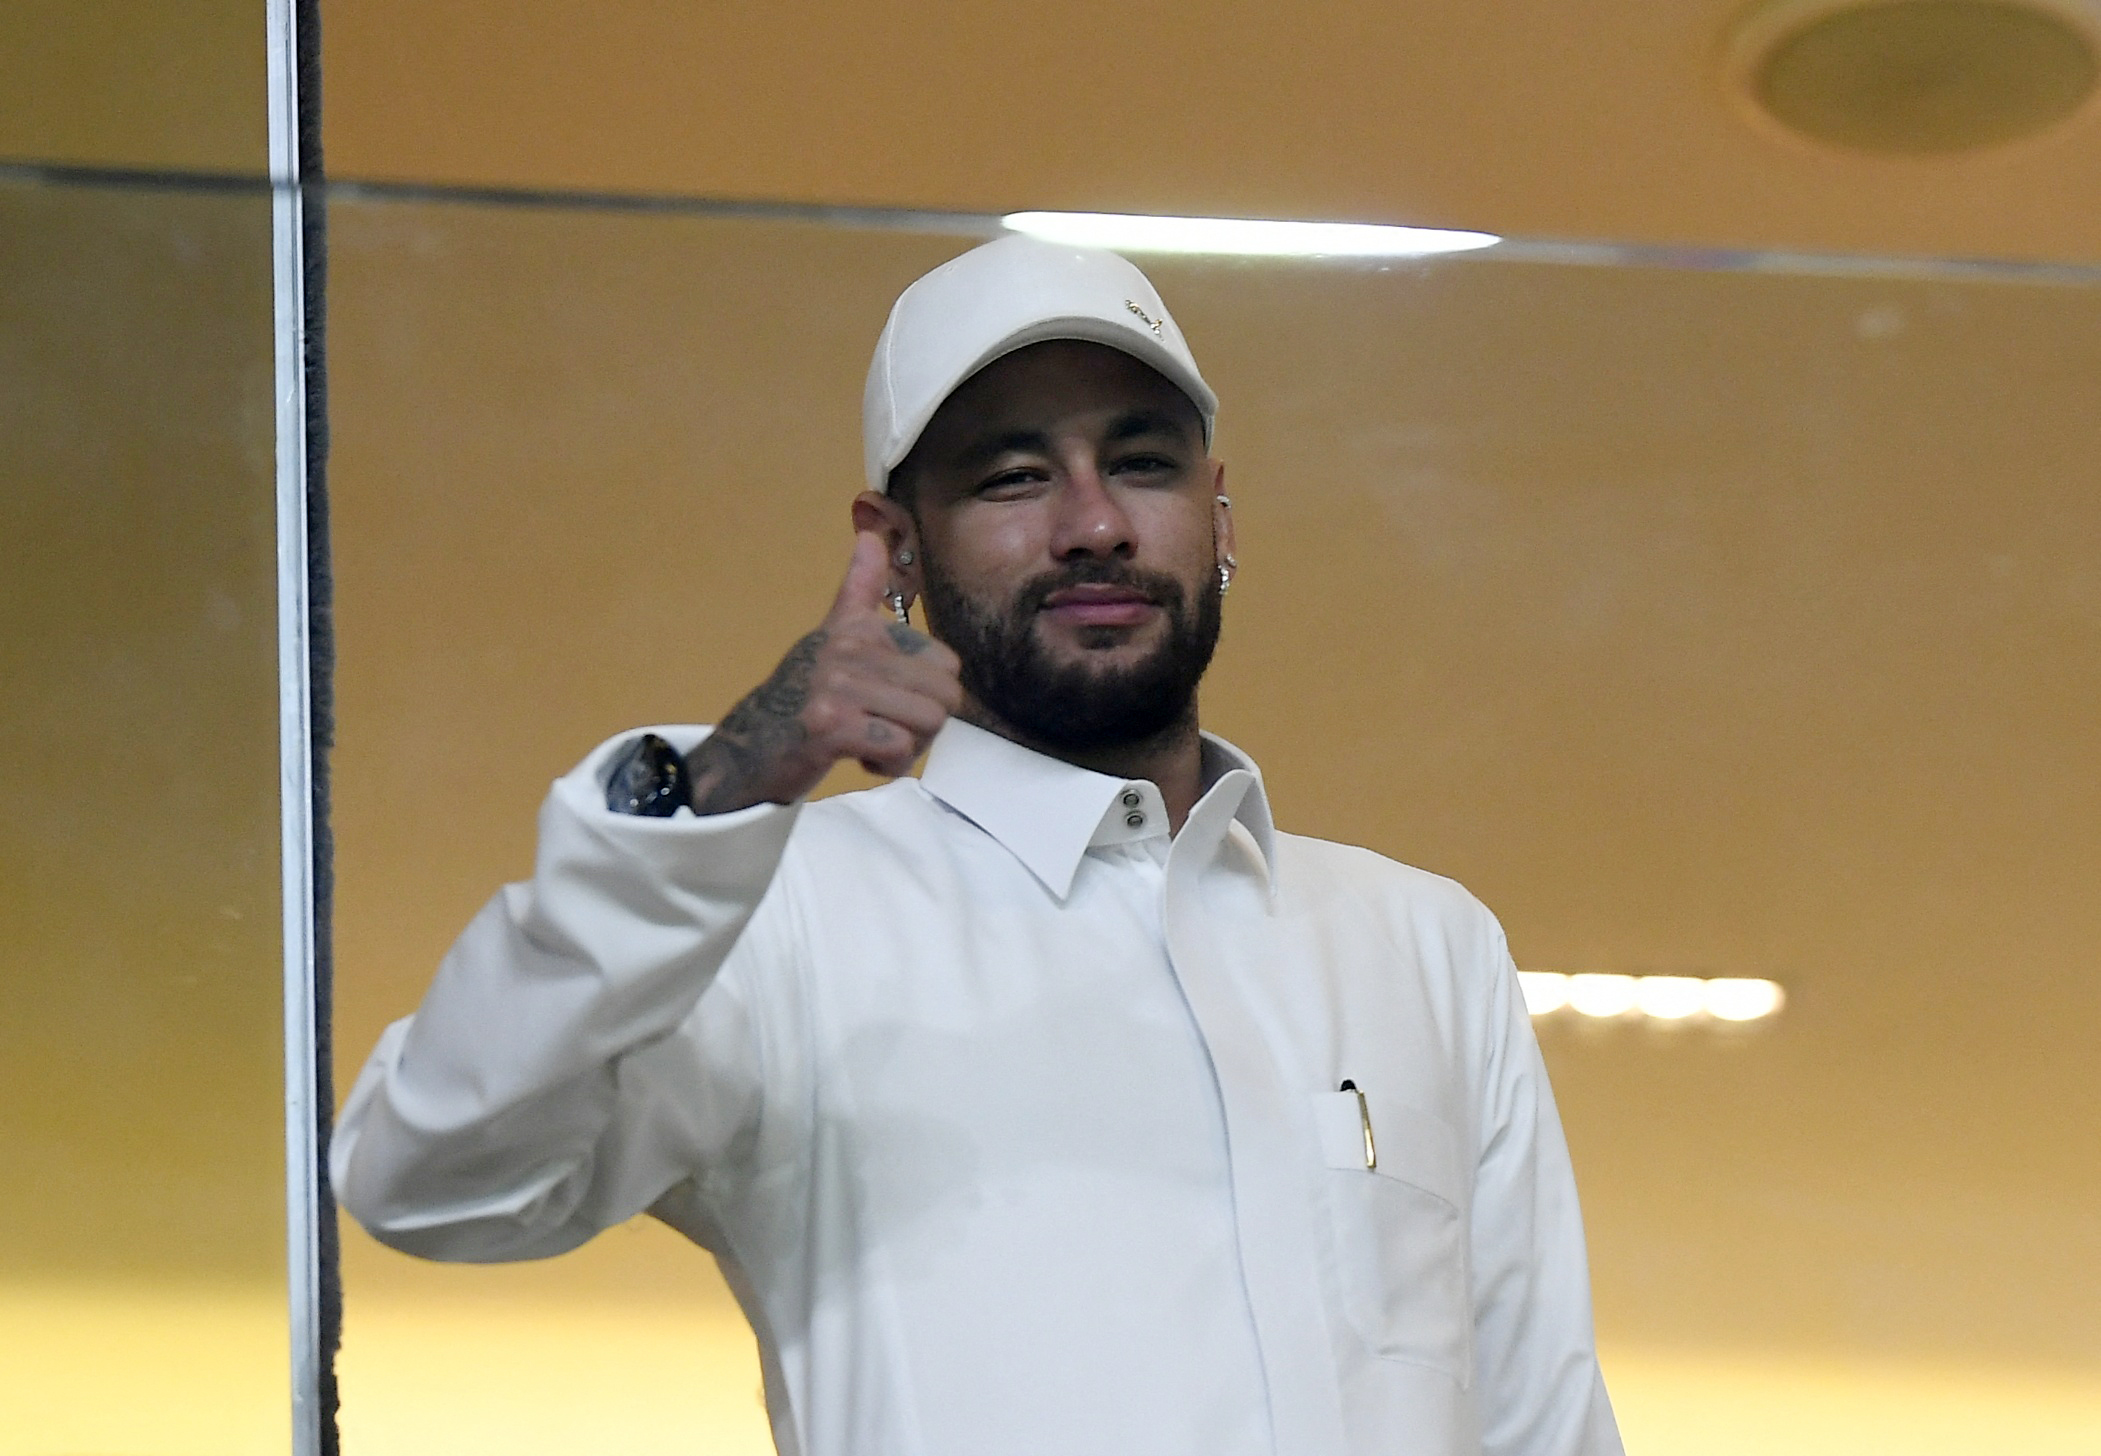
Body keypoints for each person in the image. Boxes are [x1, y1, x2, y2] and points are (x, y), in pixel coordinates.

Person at [333, 234, 1624, 1456]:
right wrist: (719, 784)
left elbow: (1539, 1417)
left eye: (1142, 463)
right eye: (1013, 476)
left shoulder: (1417, 941)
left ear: (1219, 519)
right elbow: (432, 1178)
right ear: (897, 550)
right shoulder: (783, 916)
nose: (1093, 525)